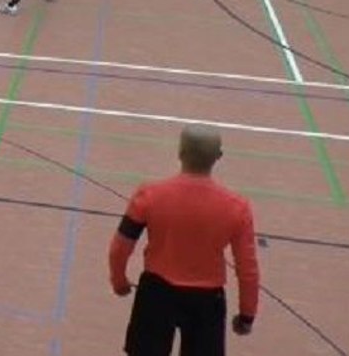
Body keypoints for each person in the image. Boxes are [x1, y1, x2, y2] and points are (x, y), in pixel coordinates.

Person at [109, 125, 260, 356]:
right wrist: (247, 314)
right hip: (207, 300)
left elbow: (120, 247)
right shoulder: (237, 208)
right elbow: (247, 268)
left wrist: (119, 280)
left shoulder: (149, 195)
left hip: (156, 292)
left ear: (180, 152)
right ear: (218, 157)